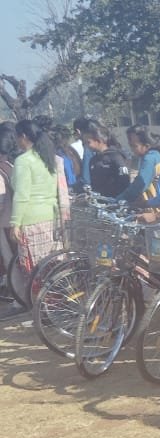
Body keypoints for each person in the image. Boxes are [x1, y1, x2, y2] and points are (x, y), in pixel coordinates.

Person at [4, 119, 62, 317]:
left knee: (33, 269)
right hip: (51, 218)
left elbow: (22, 196)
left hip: (31, 220)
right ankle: (55, 307)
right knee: (50, 266)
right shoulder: (48, 158)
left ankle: (43, 310)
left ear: (23, 137)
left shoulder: (24, 161)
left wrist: (15, 224)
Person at [118, 125, 160, 204]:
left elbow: (138, 186)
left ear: (146, 146)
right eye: (130, 145)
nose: (131, 149)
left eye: (134, 146)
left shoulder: (149, 159)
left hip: (156, 208)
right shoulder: (153, 155)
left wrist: (118, 200)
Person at [83, 123, 131, 200]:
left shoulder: (116, 157)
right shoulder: (93, 160)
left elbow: (125, 181)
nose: (86, 146)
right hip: (100, 202)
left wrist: (119, 199)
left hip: (115, 202)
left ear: (99, 140)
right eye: (84, 143)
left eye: (88, 142)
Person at [0, 123, 17, 296]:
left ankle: (16, 295)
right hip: (17, 219)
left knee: (10, 259)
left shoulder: (1, 168)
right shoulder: (15, 165)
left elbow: (1, 200)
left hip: (4, 222)